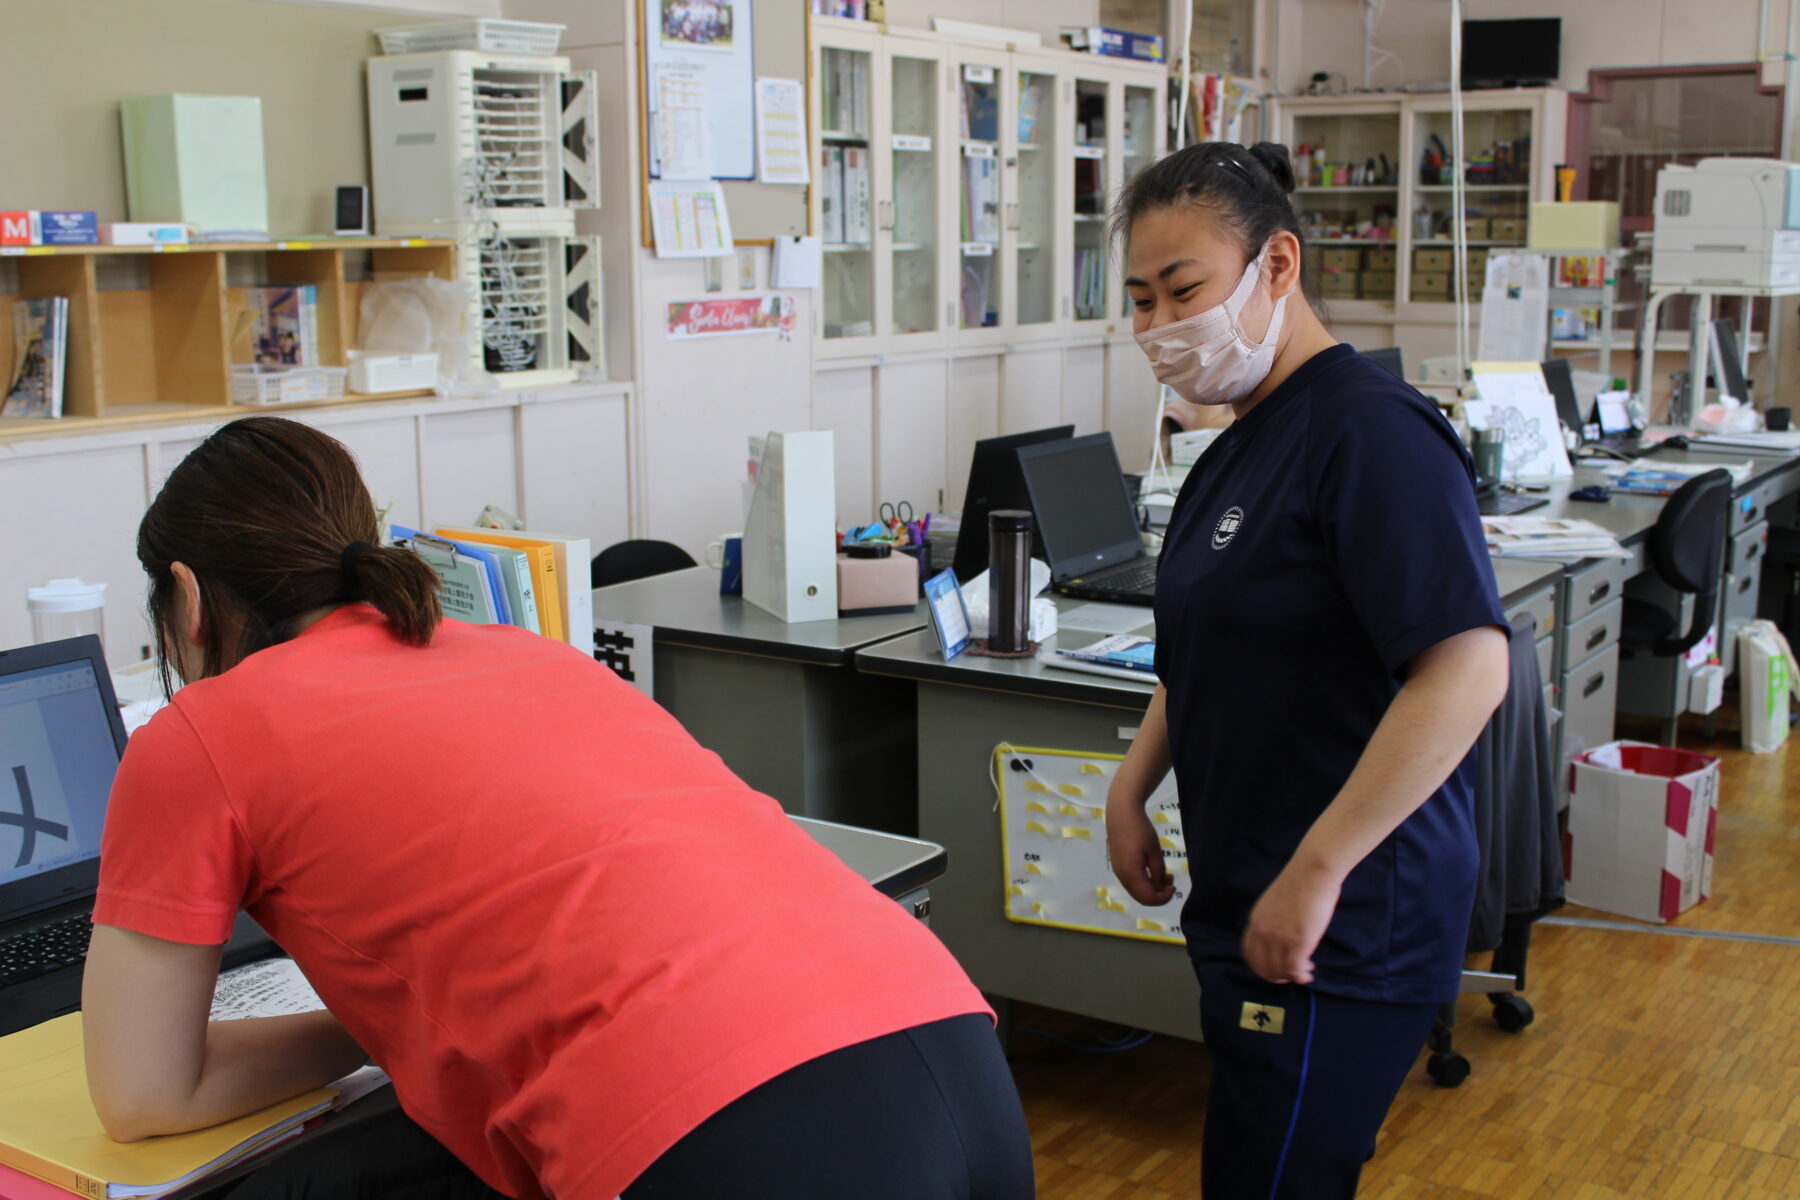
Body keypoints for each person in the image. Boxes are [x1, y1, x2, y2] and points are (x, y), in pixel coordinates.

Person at [82, 416, 1035, 1200]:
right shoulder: (518, 650)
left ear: (187, 599)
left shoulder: (202, 733)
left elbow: (142, 1092)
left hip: (727, 1127)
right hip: (951, 1049)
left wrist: (385, 1025)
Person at [1103, 142, 1511, 1198]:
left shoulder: (1372, 436)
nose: (1157, 328)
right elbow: (1209, 643)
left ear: (1277, 265)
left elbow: (1467, 669)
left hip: (1347, 915)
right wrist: (1130, 784)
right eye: (1139, 300)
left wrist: (1319, 870)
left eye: (1182, 291)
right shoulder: (1242, 437)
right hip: (1251, 889)